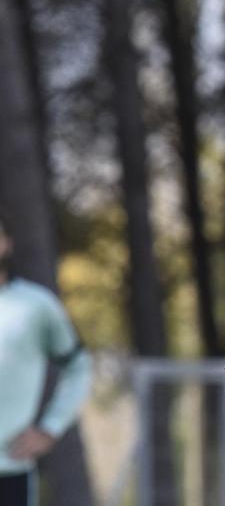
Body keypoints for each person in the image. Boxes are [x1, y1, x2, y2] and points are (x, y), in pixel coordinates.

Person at [0, 217, 92, 506]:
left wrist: (49, 428)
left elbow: (78, 367)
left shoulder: (36, 305)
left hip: (11, 469)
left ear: (6, 242)